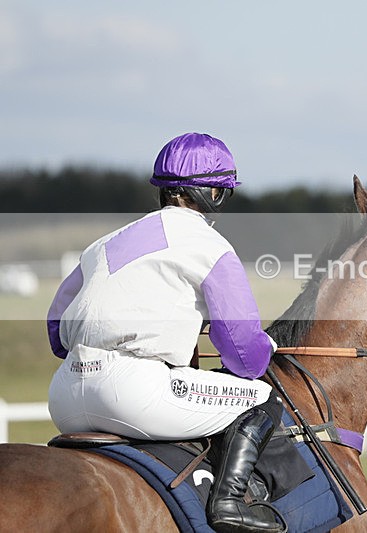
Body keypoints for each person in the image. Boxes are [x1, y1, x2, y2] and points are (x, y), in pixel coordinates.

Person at [47, 132, 284, 532]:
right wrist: (265, 348)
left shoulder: (103, 244)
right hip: (133, 394)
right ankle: (228, 504)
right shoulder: (211, 246)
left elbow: (56, 332)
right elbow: (244, 357)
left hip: (65, 397)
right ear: (213, 193)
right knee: (264, 400)